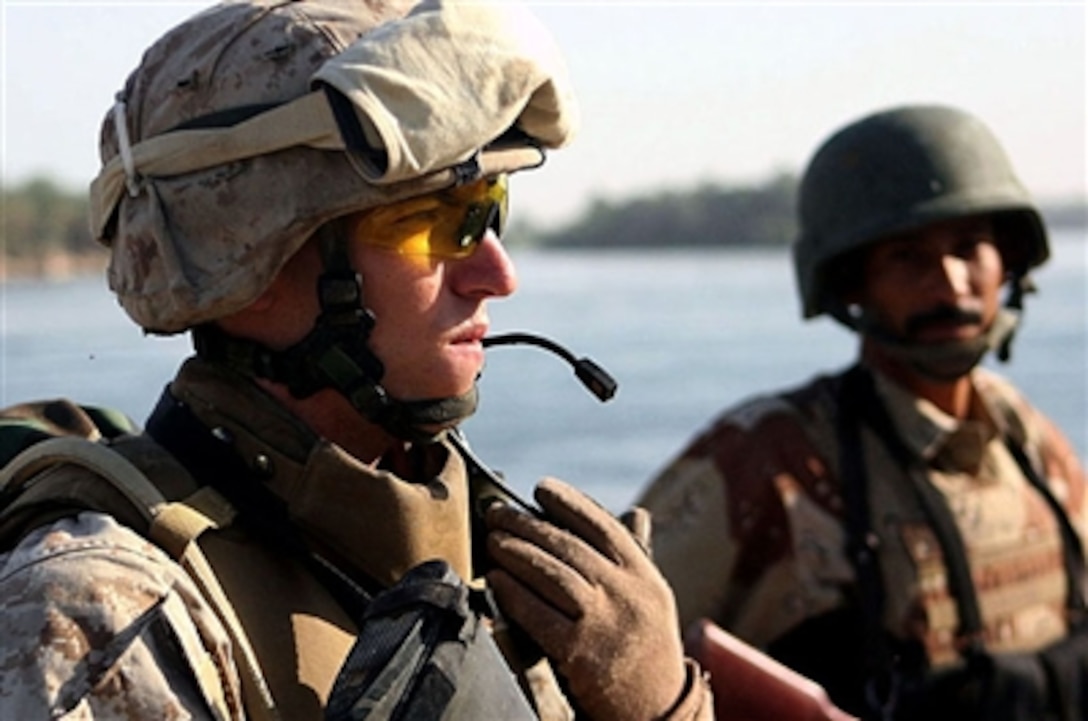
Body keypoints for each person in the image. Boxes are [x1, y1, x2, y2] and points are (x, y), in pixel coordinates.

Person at [0, 1, 713, 719]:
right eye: (427, 223)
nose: (497, 275)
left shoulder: (470, 545)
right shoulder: (106, 612)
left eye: (486, 208)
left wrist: (665, 702)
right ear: (248, 265)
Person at [637, 104, 1087, 721]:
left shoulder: (1021, 437)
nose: (951, 283)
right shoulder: (772, 458)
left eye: (969, 247)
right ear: (852, 282)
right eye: (909, 257)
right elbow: (611, 630)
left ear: (1008, 263)